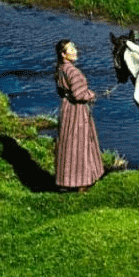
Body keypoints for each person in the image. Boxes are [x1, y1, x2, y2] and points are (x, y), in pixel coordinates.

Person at [53, 39, 104, 192]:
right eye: (71, 49)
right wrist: (92, 94)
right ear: (63, 54)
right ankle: (83, 181)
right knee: (80, 144)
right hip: (77, 111)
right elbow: (79, 94)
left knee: (67, 144)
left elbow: (63, 91)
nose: (75, 51)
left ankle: (66, 181)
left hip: (67, 108)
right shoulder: (73, 71)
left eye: (74, 47)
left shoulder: (61, 69)